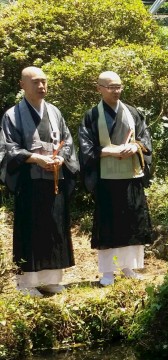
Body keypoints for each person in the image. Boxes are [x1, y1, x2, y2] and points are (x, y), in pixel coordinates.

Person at [0, 66, 79, 297]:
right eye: (35, 82)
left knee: (55, 227)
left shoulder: (54, 112)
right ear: (22, 84)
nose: (41, 86)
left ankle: (51, 278)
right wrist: (35, 158)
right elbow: (8, 148)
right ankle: (26, 282)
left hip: (55, 178)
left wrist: (60, 160)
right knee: (31, 229)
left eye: (44, 81)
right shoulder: (12, 115)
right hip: (29, 181)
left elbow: (67, 141)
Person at [78, 71, 153, 286]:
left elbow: (144, 139)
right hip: (106, 178)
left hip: (130, 175)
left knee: (132, 222)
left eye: (119, 86)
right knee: (108, 224)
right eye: (111, 87)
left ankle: (129, 267)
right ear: (99, 88)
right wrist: (110, 151)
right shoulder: (92, 116)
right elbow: (85, 148)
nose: (116, 91)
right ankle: (107, 272)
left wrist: (134, 146)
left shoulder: (132, 112)